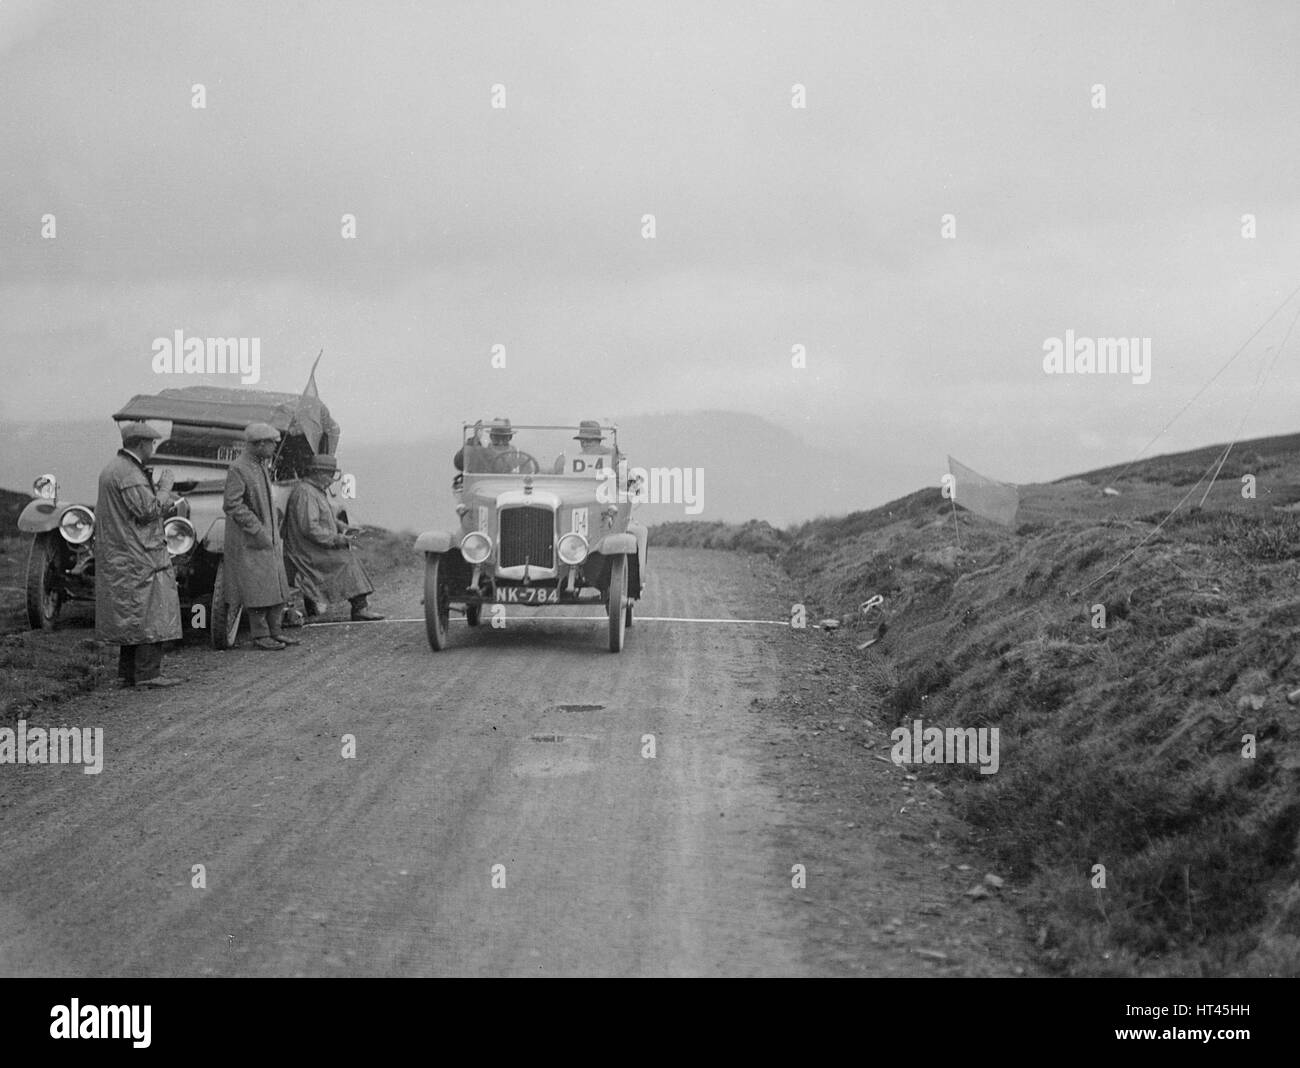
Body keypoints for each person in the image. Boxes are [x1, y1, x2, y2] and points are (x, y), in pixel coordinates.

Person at [95, 422, 184, 687]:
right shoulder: (130, 474)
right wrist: (165, 488)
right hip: (140, 554)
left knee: (131, 616)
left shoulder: (115, 469)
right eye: (151, 443)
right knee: (151, 613)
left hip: (123, 551)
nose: (153, 448)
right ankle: (148, 674)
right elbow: (148, 510)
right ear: (142, 444)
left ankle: (127, 674)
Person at [222, 421, 298, 651]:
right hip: (251, 539)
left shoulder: (259, 465)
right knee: (258, 589)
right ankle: (261, 634)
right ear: (260, 444)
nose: (275, 447)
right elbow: (231, 504)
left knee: (275, 585)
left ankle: (275, 631)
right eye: (272, 444)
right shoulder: (239, 468)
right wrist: (257, 529)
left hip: (268, 537)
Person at [284, 454, 384, 621]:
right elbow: (310, 528)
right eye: (329, 475)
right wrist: (337, 539)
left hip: (313, 547)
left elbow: (327, 517)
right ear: (317, 473)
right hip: (307, 551)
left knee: (346, 556)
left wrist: (343, 527)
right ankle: (360, 608)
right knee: (346, 560)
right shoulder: (306, 493)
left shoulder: (315, 491)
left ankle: (360, 606)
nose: (331, 480)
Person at [552, 420, 617, 474]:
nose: (583, 444)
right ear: (599, 440)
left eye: (583, 441)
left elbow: (558, 472)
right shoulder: (614, 456)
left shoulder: (567, 461)